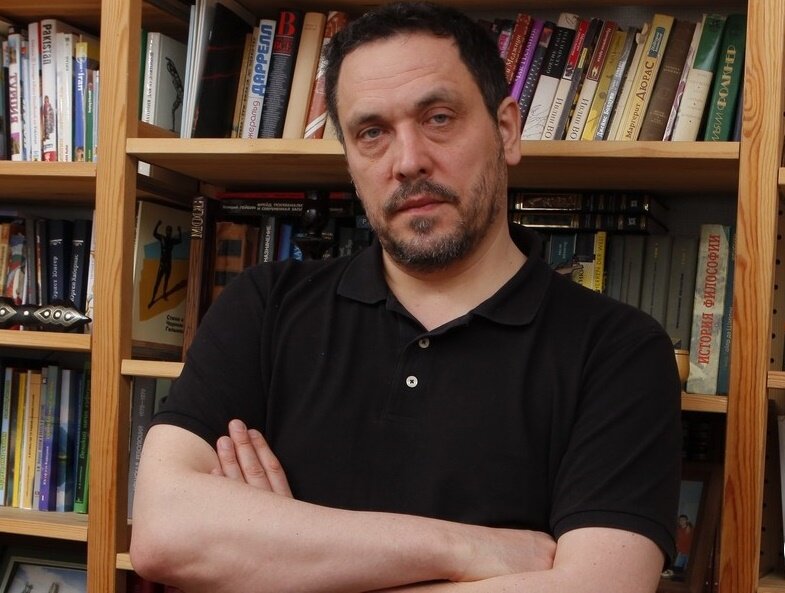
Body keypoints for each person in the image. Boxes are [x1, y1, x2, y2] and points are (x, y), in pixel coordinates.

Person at [130, 3, 681, 592]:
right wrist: (466, 549)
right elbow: (164, 533)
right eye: (372, 133)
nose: (408, 161)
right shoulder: (264, 306)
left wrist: (288, 555)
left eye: (439, 118)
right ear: (349, 158)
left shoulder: (619, 351)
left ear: (506, 130)